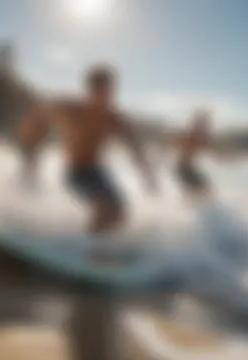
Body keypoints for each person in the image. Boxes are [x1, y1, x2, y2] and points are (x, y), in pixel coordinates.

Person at [18, 64, 157, 235]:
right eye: (101, 92)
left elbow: (135, 148)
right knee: (103, 204)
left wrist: (148, 175)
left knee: (120, 213)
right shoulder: (71, 109)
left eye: (110, 91)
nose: (106, 98)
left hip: (98, 172)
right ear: (89, 90)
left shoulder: (115, 120)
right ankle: (91, 242)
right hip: (75, 172)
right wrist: (29, 148)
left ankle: (104, 243)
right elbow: (38, 114)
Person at [175, 110, 215, 200]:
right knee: (200, 189)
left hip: (187, 168)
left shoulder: (196, 136)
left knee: (202, 189)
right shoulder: (193, 135)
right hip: (183, 168)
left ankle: (192, 201)